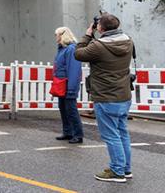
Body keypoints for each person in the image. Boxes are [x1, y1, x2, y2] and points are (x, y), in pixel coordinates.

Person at [75, 13, 134, 183]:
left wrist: (87, 35)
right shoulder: (128, 41)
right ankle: (125, 168)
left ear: (100, 28)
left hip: (106, 96)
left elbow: (78, 54)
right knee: (122, 133)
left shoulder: (98, 46)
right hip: (123, 95)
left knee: (111, 136)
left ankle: (117, 172)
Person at [53, 27, 84, 144]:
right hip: (62, 84)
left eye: (56, 35)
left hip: (67, 84)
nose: (55, 37)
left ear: (62, 35)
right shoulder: (63, 49)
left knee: (71, 110)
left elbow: (73, 70)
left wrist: (71, 89)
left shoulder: (71, 49)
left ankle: (78, 134)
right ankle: (68, 132)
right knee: (63, 108)